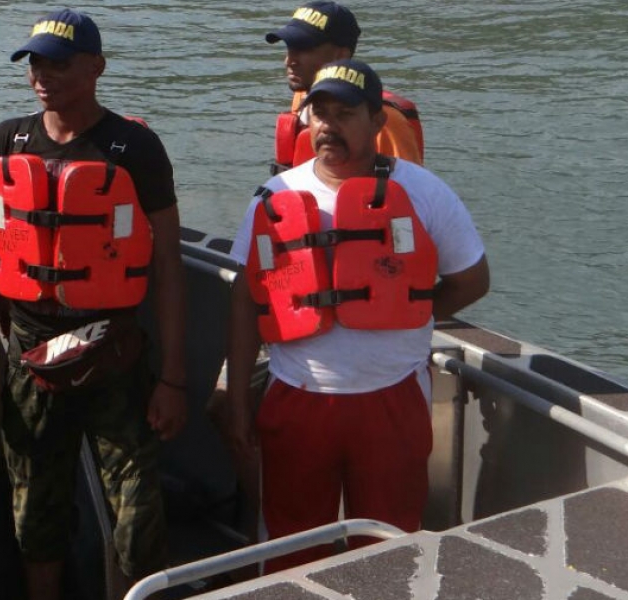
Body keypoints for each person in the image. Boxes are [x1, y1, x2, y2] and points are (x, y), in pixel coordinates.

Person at [224, 59, 489, 573]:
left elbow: (472, 279)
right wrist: (236, 401)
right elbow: (243, 299)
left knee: (390, 549)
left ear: (376, 122)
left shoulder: (426, 193)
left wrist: (410, 309)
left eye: (344, 114)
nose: (328, 126)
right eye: (319, 114)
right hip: (297, 397)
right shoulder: (274, 198)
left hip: (392, 397)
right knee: (290, 552)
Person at [0, 8, 188, 599]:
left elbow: (167, 264)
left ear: (96, 67)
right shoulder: (5, 140)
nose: (44, 74)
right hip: (27, 356)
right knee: (35, 515)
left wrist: (173, 378)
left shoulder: (134, 147)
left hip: (113, 354)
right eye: (35, 62)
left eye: (59, 63)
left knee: (138, 518)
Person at [266, 1, 424, 168]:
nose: (289, 60)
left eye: (304, 49)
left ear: (341, 55)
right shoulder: (303, 97)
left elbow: (412, 187)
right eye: (289, 47)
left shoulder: (382, 121)